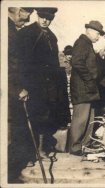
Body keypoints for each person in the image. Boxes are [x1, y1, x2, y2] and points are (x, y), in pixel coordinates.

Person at [17, 8, 71, 158]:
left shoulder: (52, 37)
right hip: (30, 85)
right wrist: (22, 86)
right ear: (37, 16)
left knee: (44, 117)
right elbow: (20, 63)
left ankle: (40, 150)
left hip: (47, 86)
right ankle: (27, 154)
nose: (45, 21)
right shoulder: (26, 33)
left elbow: (53, 63)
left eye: (49, 18)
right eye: (42, 17)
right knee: (28, 119)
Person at [69, 20, 105, 155]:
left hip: (87, 88)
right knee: (81, 118)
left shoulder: (87, 44)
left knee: (88, 117)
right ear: (88, 31)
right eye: (97, 33)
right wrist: (89, 79)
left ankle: (83, 145)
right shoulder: (82, 43)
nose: (98, 36)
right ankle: (75, 147)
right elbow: (77, 62)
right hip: (82, 88)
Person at [8, 7, 34, 182]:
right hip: (9, 93)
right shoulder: (8, 33)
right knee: (9, 137)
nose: (25, 23)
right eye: (24, 18)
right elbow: (8, 67)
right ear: (16, 11)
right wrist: (18, 89)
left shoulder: (11, 30)